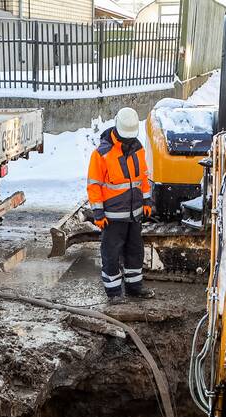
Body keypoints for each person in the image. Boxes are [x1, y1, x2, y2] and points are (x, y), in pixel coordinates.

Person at [87, 107, 156, 304]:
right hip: (113, 216)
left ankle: (134, 287)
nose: (128, 141)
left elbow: (143, 177)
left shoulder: (138, 148)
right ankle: (114, 293)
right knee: (111, 254)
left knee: (135, 252)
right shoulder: (102, 154)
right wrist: (98, 213)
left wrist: (146, 200)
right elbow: (94, 185)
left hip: (134, 215)